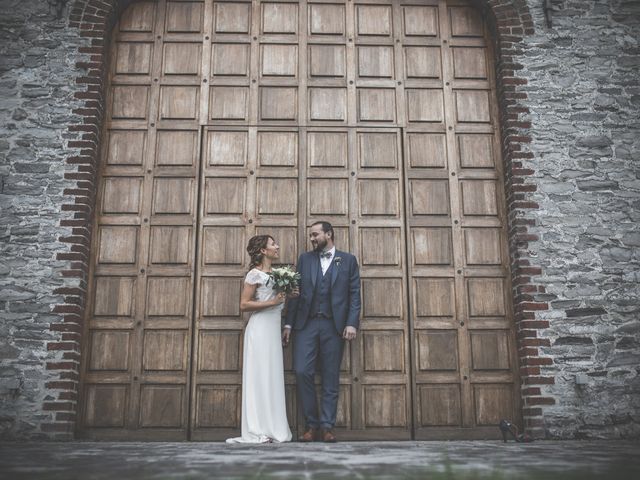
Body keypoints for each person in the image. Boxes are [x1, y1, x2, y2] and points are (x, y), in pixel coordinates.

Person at [283, 221, 361, 443]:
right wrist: (288, 324)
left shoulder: (348, 260)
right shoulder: (305, 259)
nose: (312, 239)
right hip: (306, 325)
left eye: (315, 235)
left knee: (330, 376)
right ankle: (311, 425)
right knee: (301, 371)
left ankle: (327, 427)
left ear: (329, 234)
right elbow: (296, 293)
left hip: (334, 326)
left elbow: (354, 294)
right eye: (311, 236)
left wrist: (351, 323)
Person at [226, 235, 293, 444]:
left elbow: (279, 299)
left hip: (273, 329)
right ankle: (257, 429)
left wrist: (290, 294)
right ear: (263, 251)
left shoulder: (278, 273)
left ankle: (274, 428)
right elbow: (244, 305)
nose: (277, 246)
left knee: (271, 377)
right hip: (260, 329)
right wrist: (272, 302)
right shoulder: (254, 274)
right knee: (259, 377)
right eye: (273, 244)